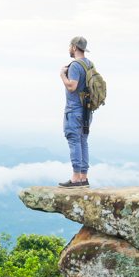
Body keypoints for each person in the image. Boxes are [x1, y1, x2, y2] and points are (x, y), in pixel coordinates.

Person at [59, 36, 92, 188]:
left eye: (69, 46)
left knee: (74, 141)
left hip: (74, 110)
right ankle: (84, 177)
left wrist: (62, 75)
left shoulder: (75, 66)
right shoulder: (89, 64)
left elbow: (72, 86)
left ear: (74, 47)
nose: (69, 49)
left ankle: (75, 179)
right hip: (87, 111)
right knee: (82, 141)